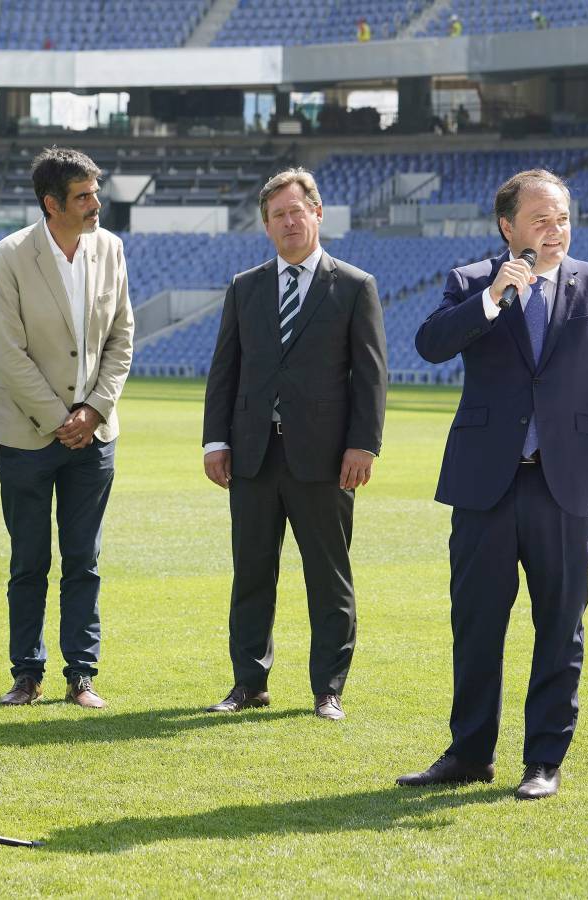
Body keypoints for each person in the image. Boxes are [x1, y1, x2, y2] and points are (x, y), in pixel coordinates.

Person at [399, 169, 588, 799]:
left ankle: (544, 761)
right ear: (507, 226)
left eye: (563, 219)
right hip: (484, 484)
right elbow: (430, 344)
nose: (555, 231)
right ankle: (469, 754)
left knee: (560, 626)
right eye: (541, 220)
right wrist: (493, 297)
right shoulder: (471, 282)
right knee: (476, 624)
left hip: (567, 484)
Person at [201, 168, 388, 723]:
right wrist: (216, 440)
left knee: (328, 578)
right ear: (266, 225)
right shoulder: (245, 287)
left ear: (317, 213)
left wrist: (364, 445)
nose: (288, 222)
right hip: (253, 454)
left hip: (325, 460)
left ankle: (328, 689)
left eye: (296, 211)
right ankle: (248, 683)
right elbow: (225, 369)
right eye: (277, 215)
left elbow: (371, 376)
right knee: (251, 575)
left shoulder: (354, 286)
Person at [0, 147, 134, 709]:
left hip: (93, 435)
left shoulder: (110, 248)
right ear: (52, 204)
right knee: (28, 561)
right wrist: (59, 418)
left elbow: (122, 337)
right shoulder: (10, 255)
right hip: (24, 434)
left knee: (84, 561)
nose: (96, 204)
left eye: (95, 193)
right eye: (83, 196)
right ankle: (26, 674)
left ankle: (82, 675)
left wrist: (92, 411)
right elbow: (8, 351)